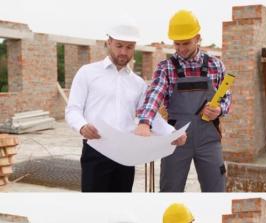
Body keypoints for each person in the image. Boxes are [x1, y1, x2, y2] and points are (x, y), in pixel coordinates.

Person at [66, 22, 186, 192]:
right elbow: (73, 109)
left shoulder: (138, 84)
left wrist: (171, 133)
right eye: (119, 46)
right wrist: (82, 126)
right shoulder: (87, 73)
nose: (123, 52)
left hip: (126, 155)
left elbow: (150, 117)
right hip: (96, 150)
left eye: (129, 47)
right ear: (109, 42)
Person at [135, 10, 232, 192]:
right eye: (177, 44)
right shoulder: (166, 68)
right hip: (176, 139)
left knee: (216, 189)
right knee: (170, 189)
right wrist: (144, 122)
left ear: (198, 38)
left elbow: (227, 97)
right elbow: (154, 95)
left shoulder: (215, 65)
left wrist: (219, 109)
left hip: (209, 140)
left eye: (186, 43)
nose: (181, 49)